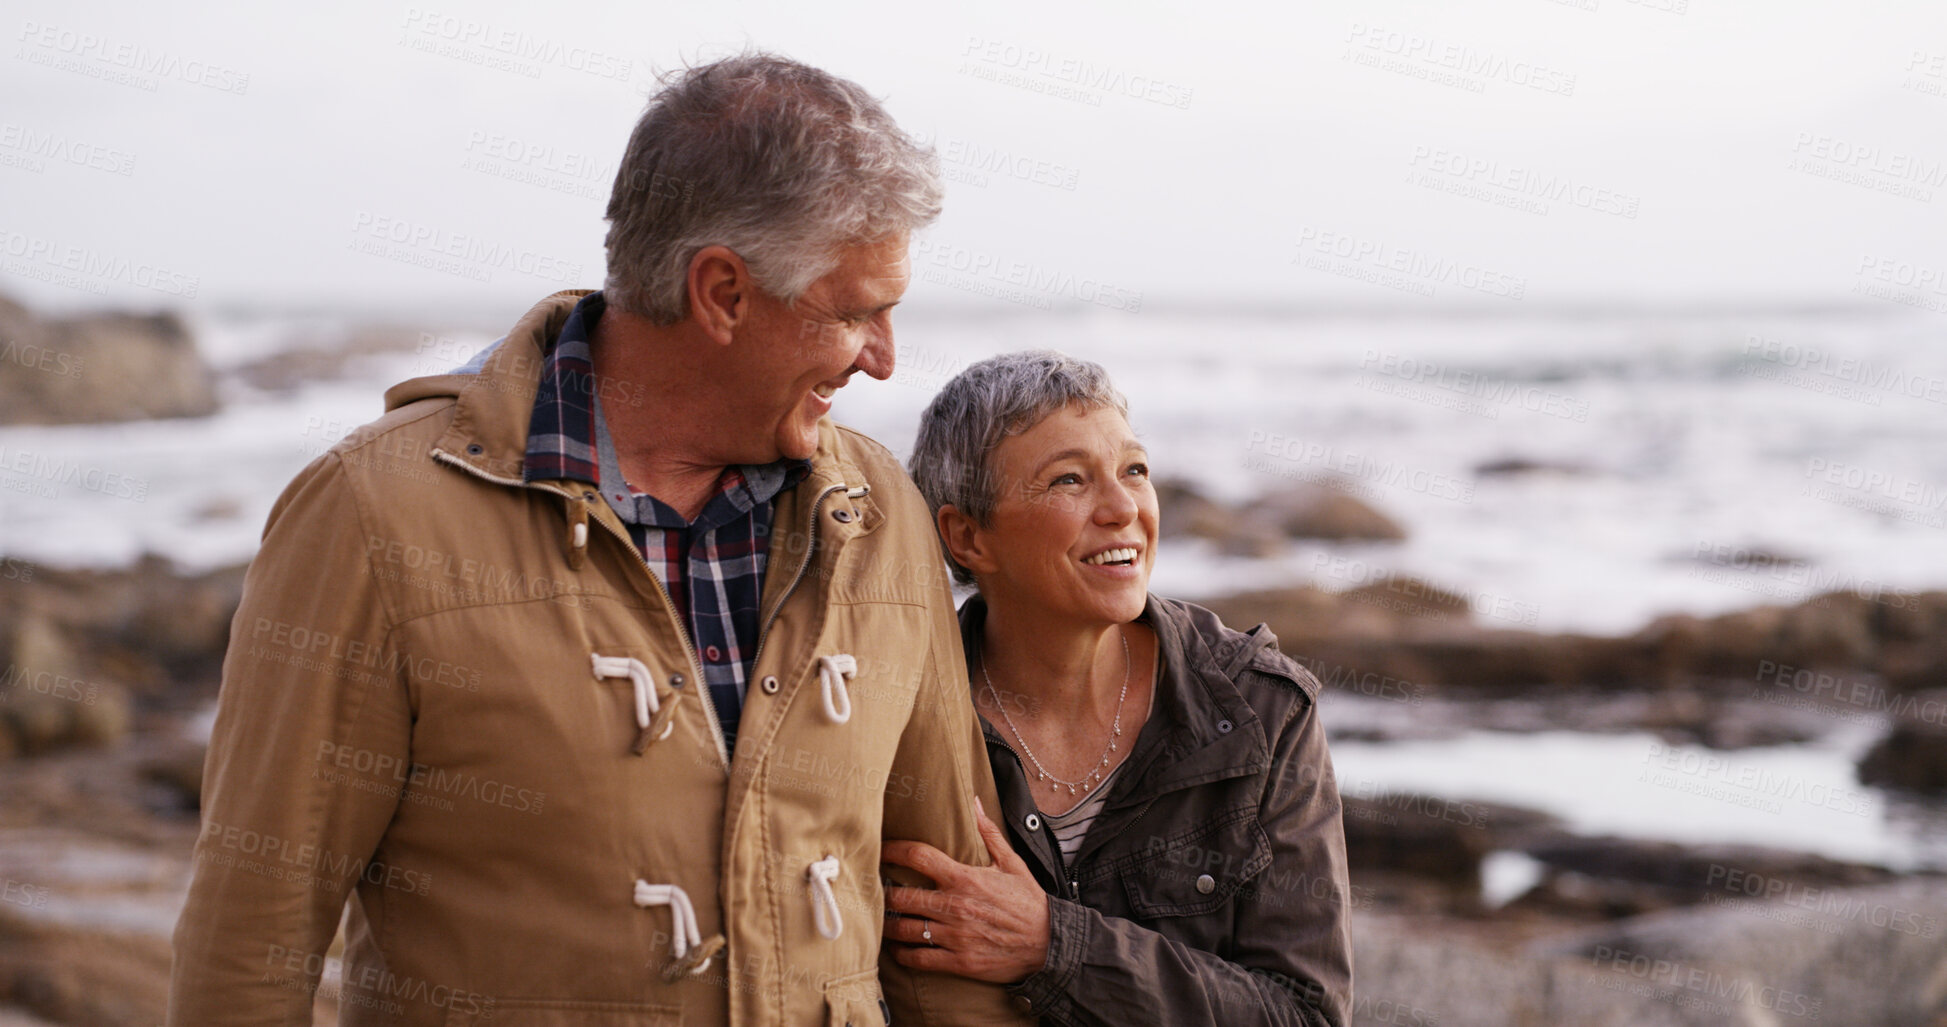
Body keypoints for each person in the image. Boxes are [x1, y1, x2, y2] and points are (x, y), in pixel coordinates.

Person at [169, 54, 1031, 1027]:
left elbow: (947, 919)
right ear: (722, 293)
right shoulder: (370, 517)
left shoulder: (880, 510)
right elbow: (252, 940)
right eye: (853, 312)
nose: (883, 356)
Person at [881, 351, 1353, 1025]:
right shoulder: (894, 713)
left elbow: (1305, 1014)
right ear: (964, 534)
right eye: (1069, 479)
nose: (1123, 507)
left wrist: (1054, 944)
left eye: (1134, 469)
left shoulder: (1260, 708)